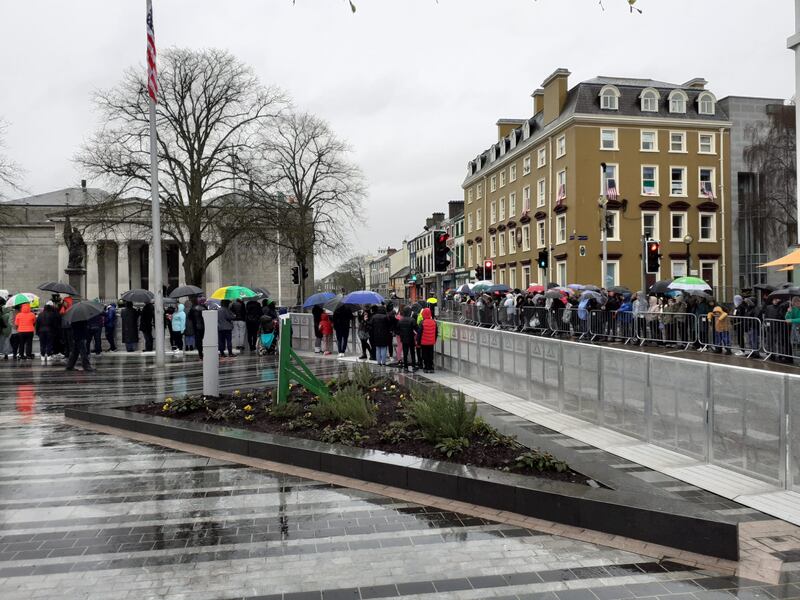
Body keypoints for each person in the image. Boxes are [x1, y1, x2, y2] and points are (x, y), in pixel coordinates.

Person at [396, 306, 418, 372]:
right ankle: (413, 366)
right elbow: (417, 329)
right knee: (412, 352)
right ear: (409, 312)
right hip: (411, 338)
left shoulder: (400, 321)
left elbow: (397, 330)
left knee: (405, 353)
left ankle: (405, 367)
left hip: (404, 339)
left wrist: (401, 334)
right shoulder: (412, 320)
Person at [418, 307, 437, 373]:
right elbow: (436, 332)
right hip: (431, 341)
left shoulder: (422, 323)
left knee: (424, 354)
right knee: (430, 354)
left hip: (424, 342)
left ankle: (426, 367)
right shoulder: (434, 322)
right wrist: (434, 339)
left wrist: (418, 342)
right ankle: (431, 367)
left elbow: (419, 333)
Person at [786, 296, 800, 361]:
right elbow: (787, 319)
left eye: (798, 302)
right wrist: (788, 312)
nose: (797, 304)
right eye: (795, 302)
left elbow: (790, 320)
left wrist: (792, 320)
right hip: (796, 328)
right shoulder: (793, 309)